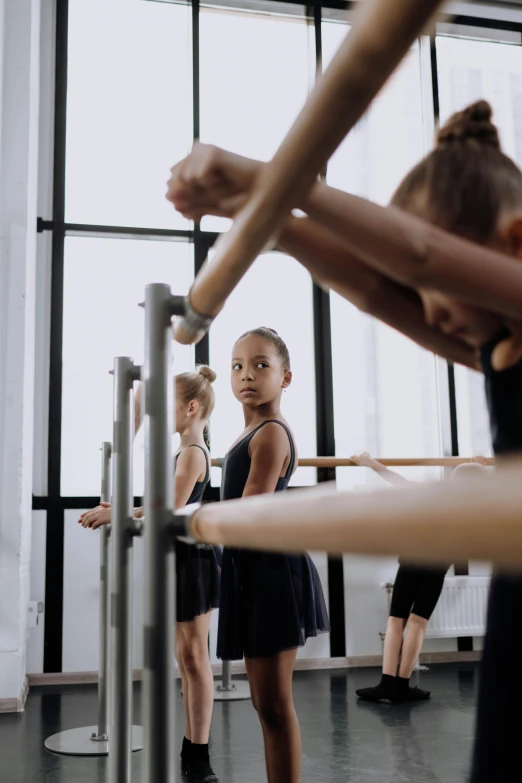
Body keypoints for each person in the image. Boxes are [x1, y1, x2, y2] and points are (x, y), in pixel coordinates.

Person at [165, 99, 522, 781]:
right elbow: (371, 283)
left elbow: (415, 253)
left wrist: (263, 181)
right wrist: (279, 227)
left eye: (439, 285)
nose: (430, 309)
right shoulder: (497, 343)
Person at [79, 366, 221, 783]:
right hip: (181, 558)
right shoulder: (185, 448)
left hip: (193, 560)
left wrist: (114, 512)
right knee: (186, 657)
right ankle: (191, 746)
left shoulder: (194, 452)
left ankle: (198, 753)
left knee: (194, 657)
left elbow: (166, 507)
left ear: (191, 408)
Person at [217, 327, 329, 783]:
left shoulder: (270, 434)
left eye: (262, 364)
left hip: (271, 573)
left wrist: (190, 523)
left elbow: (248, 509)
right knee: (264, 702)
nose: (248, 375)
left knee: (274, 704)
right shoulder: (250, 430)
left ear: (286, 377)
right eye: (238, 365)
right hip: (253, 568)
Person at [351, 453, 487, 704]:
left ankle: (387, 684)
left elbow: (396, 480)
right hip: (437, 564)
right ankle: (401, 686)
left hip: (414, 558)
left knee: (396, 619)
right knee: (417, 622)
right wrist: (479, 465)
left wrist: (370, 463)